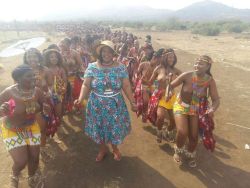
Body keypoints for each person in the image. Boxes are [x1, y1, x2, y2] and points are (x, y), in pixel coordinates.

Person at [75, 41, 136, 162]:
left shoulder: (120, 67)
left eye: (109, 51)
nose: (106, 54)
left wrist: (132, 102)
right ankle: (102, 149)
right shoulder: (92, 67)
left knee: (114, 127)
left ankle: (115, 149)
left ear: (113, 53)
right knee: (100, 127)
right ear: (100, 53)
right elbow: (86, 85)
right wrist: (80, 98)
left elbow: (127, 86)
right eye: (104, 51)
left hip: (115, 105)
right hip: (96, 104)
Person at [167, 55, 220, 167]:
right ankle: (178, 151)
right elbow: (170, 86)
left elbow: (216, 100)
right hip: (181, 105)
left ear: (207, 67)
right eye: (196, 63)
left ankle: (190, 153)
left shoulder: (210, 81)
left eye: (201, 64)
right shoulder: (187, 75)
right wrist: (169, 93)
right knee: (182, 131)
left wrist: (212, 109)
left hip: (195, 109)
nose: (197, 65)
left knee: (194, 136)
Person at [0, 64, 45, 187]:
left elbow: (44, 106)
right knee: (21, 161)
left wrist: (41, 107)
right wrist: (2, 109)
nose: (33, 78)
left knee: (35, 157)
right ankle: (14, 175)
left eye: (33, 75)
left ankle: (32, 177)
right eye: (28, 76)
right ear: (18, 79)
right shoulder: (9, 92)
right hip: (12, 129)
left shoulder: (37, 91)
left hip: (31, 127)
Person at [148, 48, 182, 143]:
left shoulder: (176, 70)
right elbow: (150, 83)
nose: (171, 59)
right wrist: (154, 92)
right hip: (160, 97)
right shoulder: (158, 68)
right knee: (160, 116)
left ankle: (168, 131)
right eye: (169, 57)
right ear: (164, 58)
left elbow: (186, 78)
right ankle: (159, 131)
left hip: (172, 98)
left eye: (173, 57)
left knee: (174, 120)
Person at [23, 48, 52, 146]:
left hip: (42, 103)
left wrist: (49, 91)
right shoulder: (21, 71)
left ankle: (43, 147)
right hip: (27, 104)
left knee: (42, 128)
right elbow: (16, 88)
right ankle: (30, 148)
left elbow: (51, 85)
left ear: (39, 57)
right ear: (26, 58)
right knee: (28, 128)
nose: (32, 59)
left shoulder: (45, 70)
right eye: (29, 56)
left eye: (34, 56)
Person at [43, 49, 67, 136]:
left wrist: (64, 89)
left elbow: (65, 81)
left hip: (58, 94)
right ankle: (49, 129)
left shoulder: (61, 69)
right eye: (51, 57)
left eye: (56, 57)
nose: (54, 59)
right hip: (47, 95)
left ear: (59, 58)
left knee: (58, 113)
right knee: (49, 114)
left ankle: (59, 127)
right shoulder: (44, 70)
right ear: (47, 58)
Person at [136, 49, 162, 122]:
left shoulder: (159, 68)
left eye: (157, 59)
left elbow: (158, 79)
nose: (155, 60)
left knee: (154, 103)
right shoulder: (143, 64)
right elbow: (137, 73)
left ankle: (151, 115)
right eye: (154, 58)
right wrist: (140, 77)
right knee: (146, 101)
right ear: (151, 57)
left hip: (153, 86)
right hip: (144, 85)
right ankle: (144, 114)